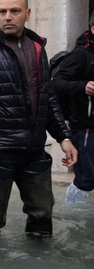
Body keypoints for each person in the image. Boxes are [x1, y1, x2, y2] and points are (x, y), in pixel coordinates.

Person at [0, 0, 76, 238]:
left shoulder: (37, 48)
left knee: (43, 215)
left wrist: (64, 137)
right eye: (2, 11)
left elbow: (48, 97)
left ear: (27, 14)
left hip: (33, 151)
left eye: (15, 11)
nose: (8, 17)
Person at [52, 10, 94, 204]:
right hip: (84, 126)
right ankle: (72, 217)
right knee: (86, 178)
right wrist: (83, 86)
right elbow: (56, 83)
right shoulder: (81, 54)